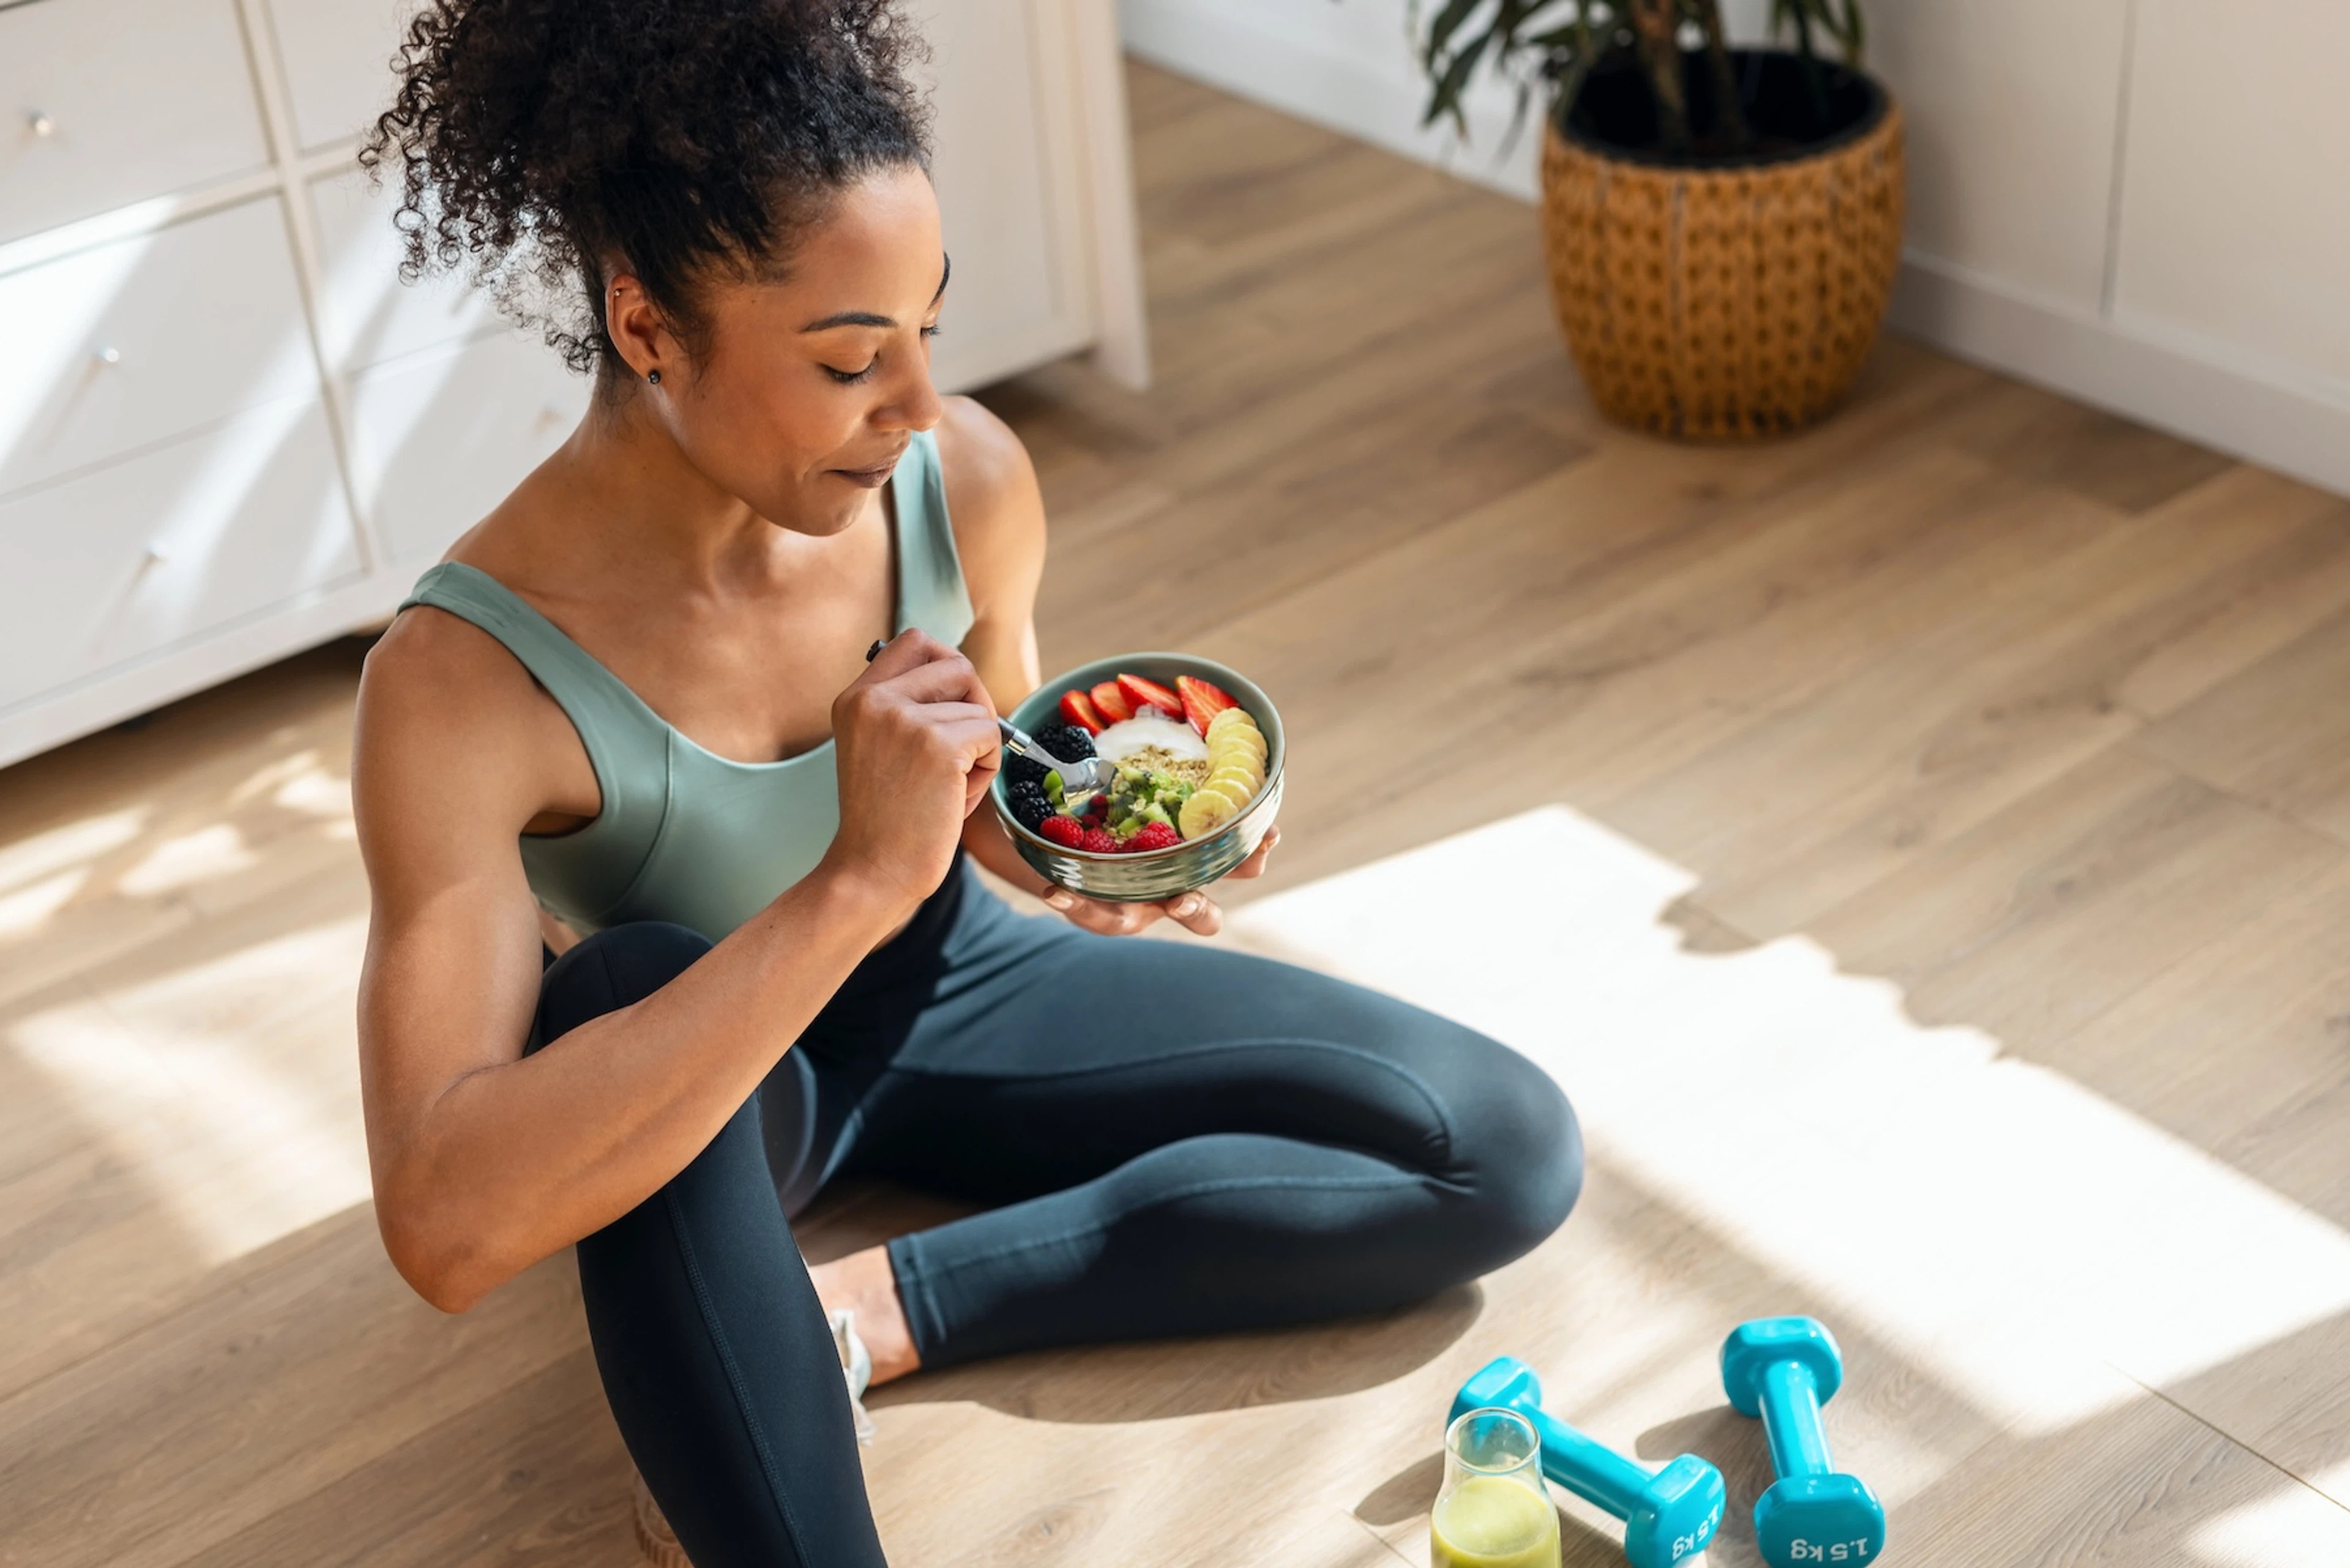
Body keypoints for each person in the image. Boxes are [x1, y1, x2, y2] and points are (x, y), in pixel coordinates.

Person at [348, 2, 1582, 1564]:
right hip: (721, 1074)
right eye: (854, 358)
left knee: (1498, 1144)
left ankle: (855, 1318)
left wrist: (1091, 843)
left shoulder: (964, 479)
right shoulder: (467, 680)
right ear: (647, 322)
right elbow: (448, 1227)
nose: (919, 404)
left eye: (928, 327)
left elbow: (989, 799)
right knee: (620, 985)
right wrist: (852, 879)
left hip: (949, 975)